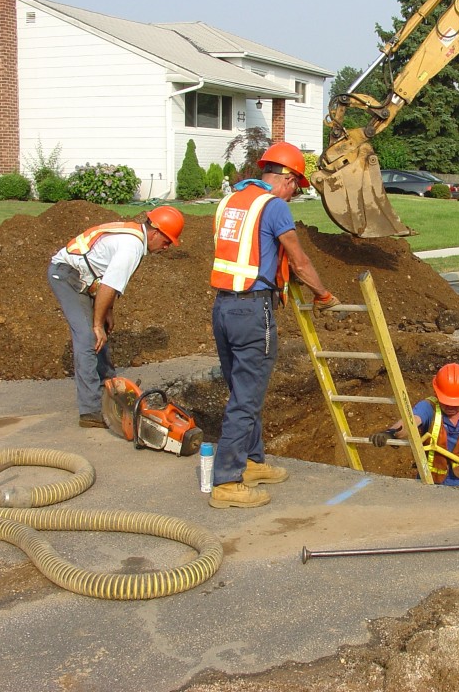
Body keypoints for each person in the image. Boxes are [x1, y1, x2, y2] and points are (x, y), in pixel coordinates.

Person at [208, 141, 340, 509]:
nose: (295, 193)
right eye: (296, 185)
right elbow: (298, 260)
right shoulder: (273, 206)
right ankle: (227, 483)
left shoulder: (231, 202)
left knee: (243, 390)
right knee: (246, 398)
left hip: (223, 308)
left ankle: (251, 462)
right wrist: (323, 294)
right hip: (253, 312)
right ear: (284, 178)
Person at [48, 205, 184, 427]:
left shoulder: (136, 239)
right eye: (167, 241)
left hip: (85, 277)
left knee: (100, 335)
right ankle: (90, 411)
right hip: (66, 275)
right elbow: (108, 286)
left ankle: (110, 389)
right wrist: (97, 324)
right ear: (155, 233)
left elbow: (106, 277)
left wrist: (107, 312)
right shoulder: (132, 247)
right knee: (88, 337)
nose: (167, 247)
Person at [371, 363, 459, 488]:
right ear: (436, 392)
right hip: (430, 483)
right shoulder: (428, 407)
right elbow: (410, 421)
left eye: (455, 403)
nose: (450, 406)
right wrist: (391, 432)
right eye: (446, 401)